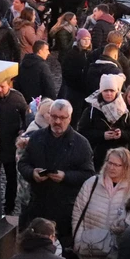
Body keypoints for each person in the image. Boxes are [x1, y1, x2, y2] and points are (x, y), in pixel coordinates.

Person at [19, 99, 96, 241]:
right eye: (54, 117)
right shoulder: (36, 137)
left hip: (65, 207)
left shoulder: (81, 144)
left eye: (62, 118)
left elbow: (89, 174)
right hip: (38, 204)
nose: (57, 121)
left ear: (69, 118)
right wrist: (32, 173)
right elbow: (23, 163)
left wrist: (66, 176)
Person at [77, 74, 130, 167]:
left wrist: (122, 134)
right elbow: (82, 132)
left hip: (120, 157)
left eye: (112, 90)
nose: (109, 93)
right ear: (101, 91)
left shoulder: (124, 111)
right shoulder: (91, 110)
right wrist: (102, 135)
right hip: (98, 157)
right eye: (106, 90)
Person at [0, 78, 29, 216]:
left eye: (2, 87)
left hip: (10, 144)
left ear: (8, 85)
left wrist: (23, 130)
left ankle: (9, 206)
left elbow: (26, 116)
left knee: (11, 177)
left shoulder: (17, 98)